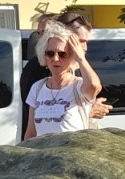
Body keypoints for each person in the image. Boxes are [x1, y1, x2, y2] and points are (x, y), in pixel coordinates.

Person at [20, 11, 112, 139]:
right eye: (50, 53)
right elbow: (30, 132)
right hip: (44, 155)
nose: (55, 59)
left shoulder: (79, 82)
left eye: (62, 54)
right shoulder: (37, 84)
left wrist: (80, 58)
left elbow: (93, 86)